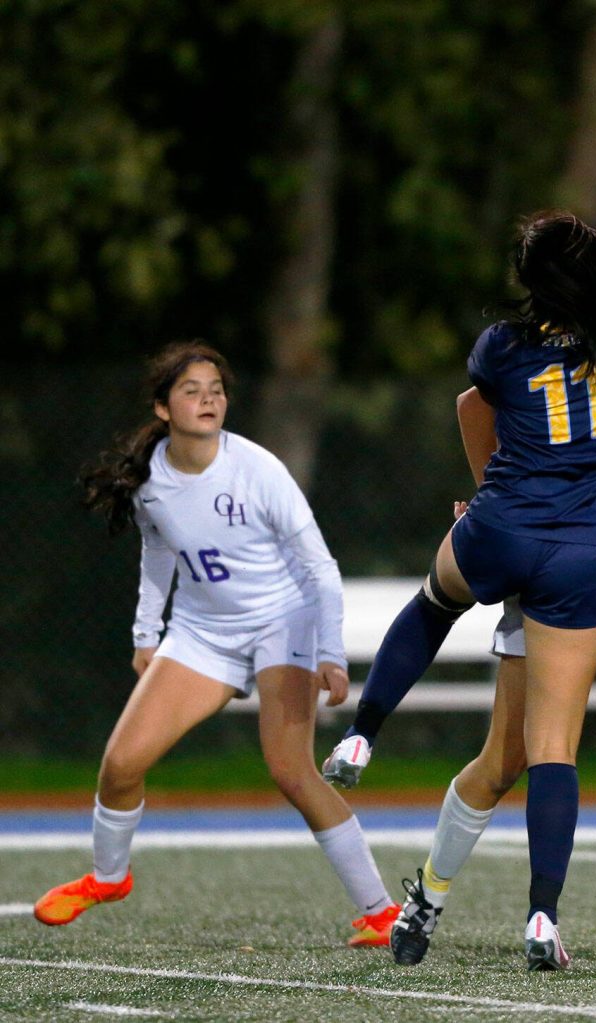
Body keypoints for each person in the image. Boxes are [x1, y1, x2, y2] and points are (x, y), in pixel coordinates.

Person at [328, 211, 596, 970]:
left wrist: (486, 490)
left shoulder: (502, 343)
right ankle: (540, 916)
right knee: (540, 750)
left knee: (438, 608)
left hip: (518, 531)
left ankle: (367, 740)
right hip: (581, 556)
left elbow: (481, 396)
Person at [32, 340, 399, 948]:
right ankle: (108, 879)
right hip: (203, 633)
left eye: (217, 390)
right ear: (162, 408)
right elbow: (156, 551)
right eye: (191, 391)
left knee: (292, 771)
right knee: (121, 765)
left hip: (284, 623)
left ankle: (383, 914)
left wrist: (330, 651)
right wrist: (146, 634)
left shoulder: (257, 469)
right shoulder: (150, 480)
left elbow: (318, 568)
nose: (208, 400)